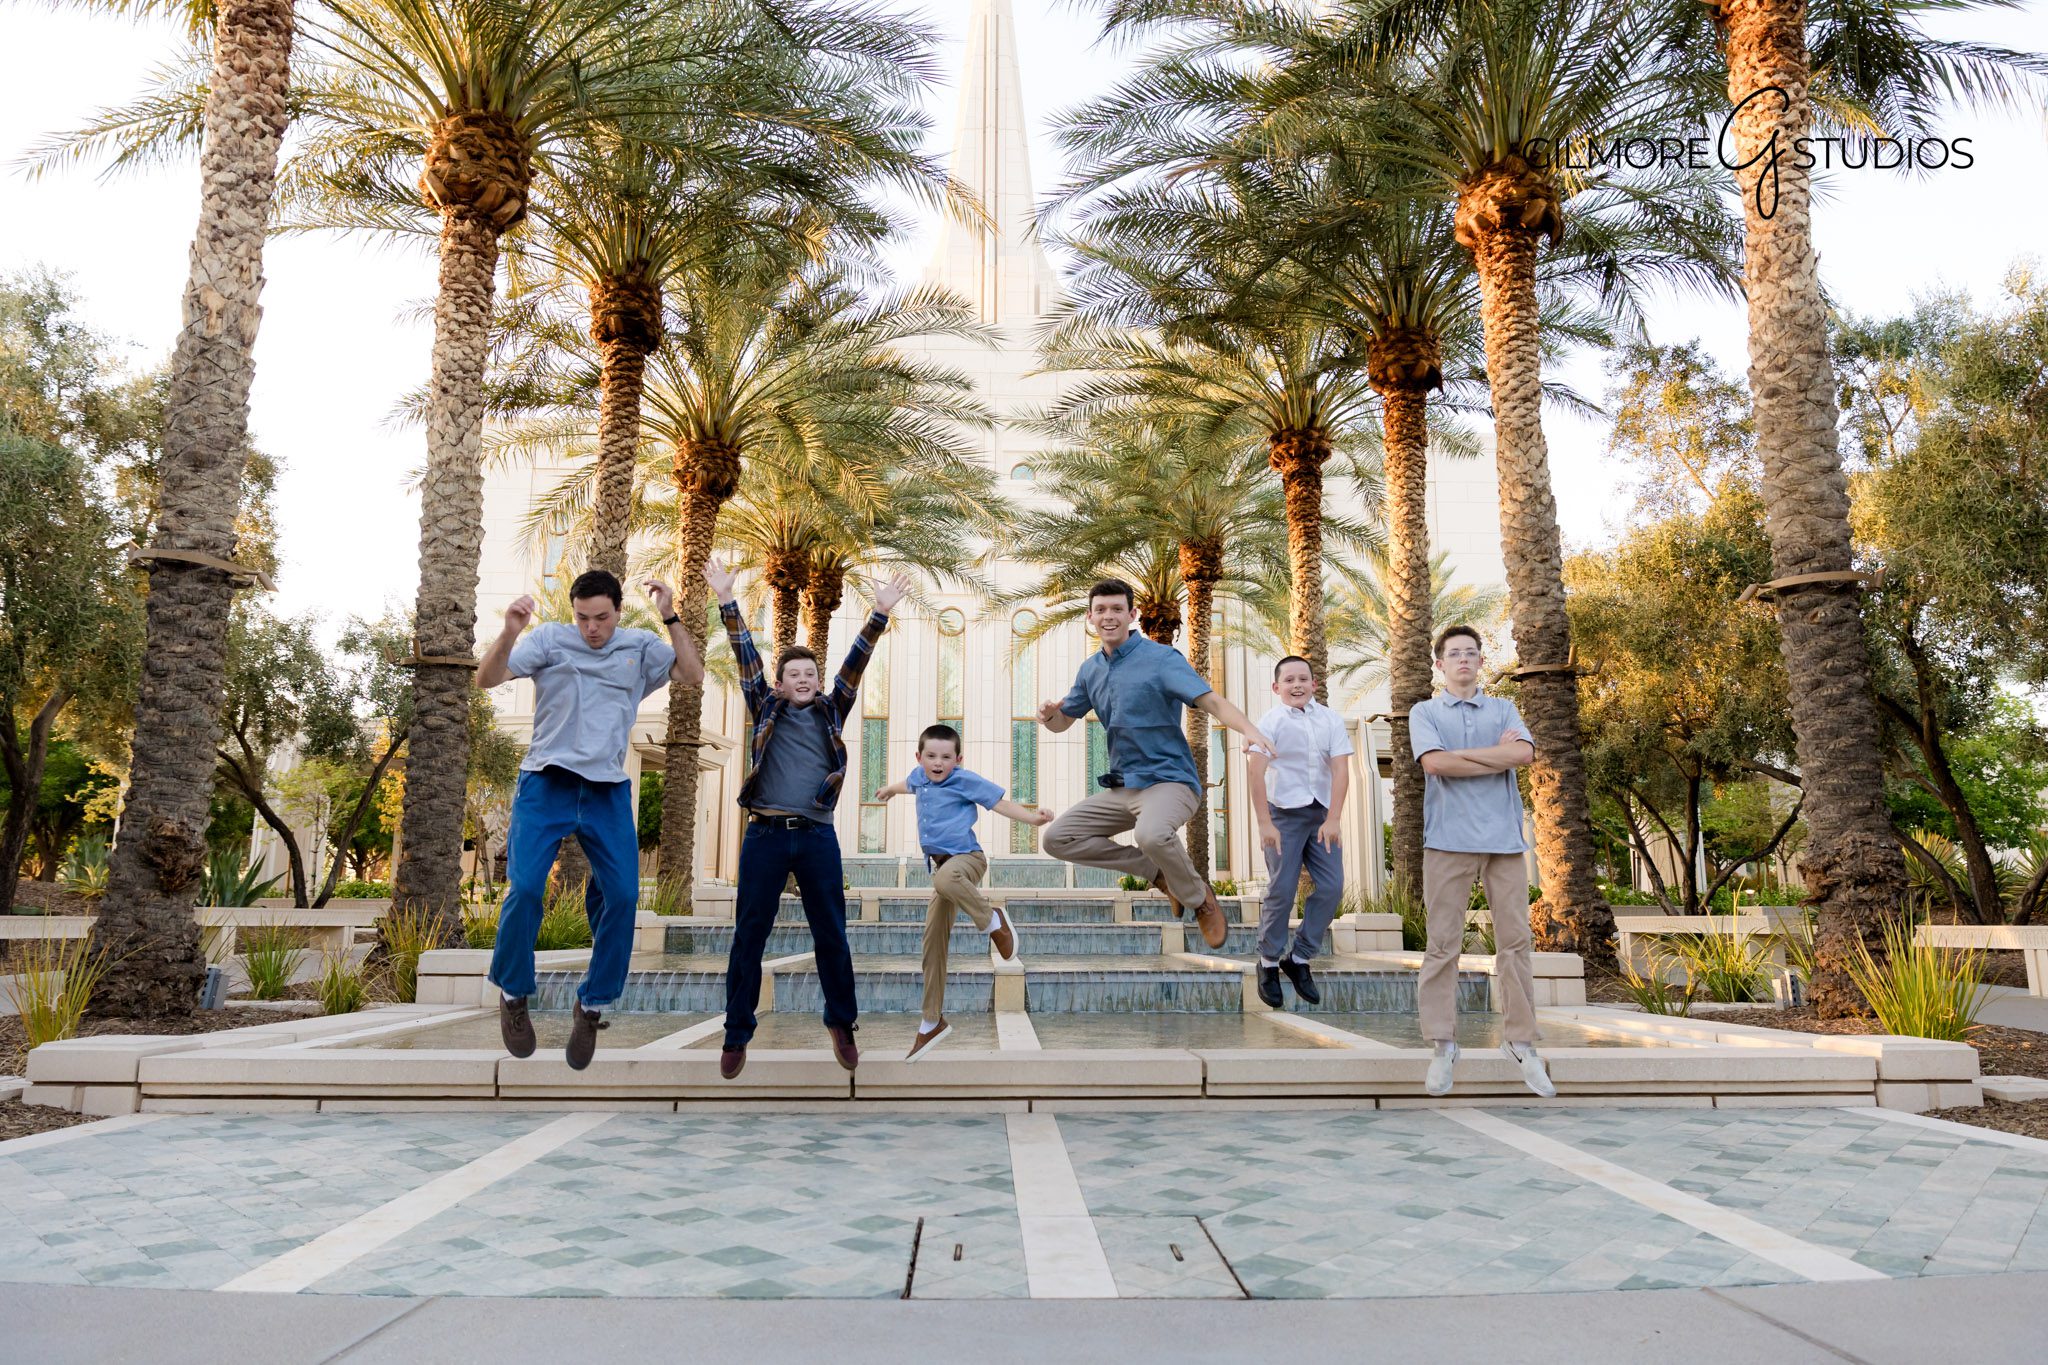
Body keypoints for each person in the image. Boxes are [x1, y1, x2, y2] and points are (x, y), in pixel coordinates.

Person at [477, 569, 703, 1070]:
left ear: (618, 611)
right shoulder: (550, 639)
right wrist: (512, 629)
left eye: (601, 618)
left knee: (622, 895)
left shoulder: (640, 646)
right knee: (527, 889)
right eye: (583, 617)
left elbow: (692, 674)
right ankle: (513, 994)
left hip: (606, 789)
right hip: (546, 782)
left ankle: (592, 1004)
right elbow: (486, 678)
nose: (591, 628)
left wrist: (670, 614)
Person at [707, 557, 908, 1079]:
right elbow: (744, 652)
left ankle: (841, 1022)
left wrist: (879, 613)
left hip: (817, 837)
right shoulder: (765, 706)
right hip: (766, 836)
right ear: (777, 684)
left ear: (818, 683)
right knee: (749, 935)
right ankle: (736, 1033)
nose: (803, 679)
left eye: (810, 674)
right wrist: (728, 601)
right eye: (793, 674)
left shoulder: (831, 710)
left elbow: (855, 664)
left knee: (832, 935)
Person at [1037, 579, 1273, 948]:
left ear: (1133, 615)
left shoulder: (1162, 659)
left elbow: (1210, 701)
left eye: (1117, 609)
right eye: (1101, 610)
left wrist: (1249, 730)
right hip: (1124, 787)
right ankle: (1158, 874)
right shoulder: (1090, 670)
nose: (1108, 616)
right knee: (1057, 838)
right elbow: (1063, 722)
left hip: (1170, 782)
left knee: (1150, 834)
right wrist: (1050, 716)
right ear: (1090, 617)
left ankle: (1200, 900)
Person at [1409, 625, 1555, 1099]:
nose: (1464, 660)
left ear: (1479, 661)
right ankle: (1443, 1044)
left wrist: (1464, 755)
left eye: (1471, 653)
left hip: (1503, 842)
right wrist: (1496, 757)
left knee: (1515, 943)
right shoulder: (1424, 711)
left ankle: (1520, 1043)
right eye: (1455, 654)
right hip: (1447, 840)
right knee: (1442, 944)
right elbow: (1434, 765)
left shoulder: (1503, 708)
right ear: (1440, 664)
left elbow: (1526, 754)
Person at [873, 724, 1053, 1062]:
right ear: (919, 757)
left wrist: (1032, 819)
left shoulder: (964, 780)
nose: (938, 763)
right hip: (943, 872)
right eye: (931, 756)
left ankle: (992, 920)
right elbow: (906, 783)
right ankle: (931, 1021)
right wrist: (890, 790)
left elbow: (1000, 804)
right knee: (932, 941)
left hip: (967, 861)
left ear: (958, 759)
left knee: (943, 880)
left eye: (946, 757)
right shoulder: (919, 777)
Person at [1245, 655, 1352, 1009]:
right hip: (1283, 817)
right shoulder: (1270, 722)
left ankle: (1300, 958)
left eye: (1303, 679)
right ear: (1276, 688)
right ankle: (1269, 962)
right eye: (1288, 680)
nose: (1297, 685)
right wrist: (1265, 823)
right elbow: (1255, 773)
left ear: (1314, 684)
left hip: (1322, 816)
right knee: (1282, 888)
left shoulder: (1330, 720)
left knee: (1333, 886)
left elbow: (1340, 770)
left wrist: (1334, 817)